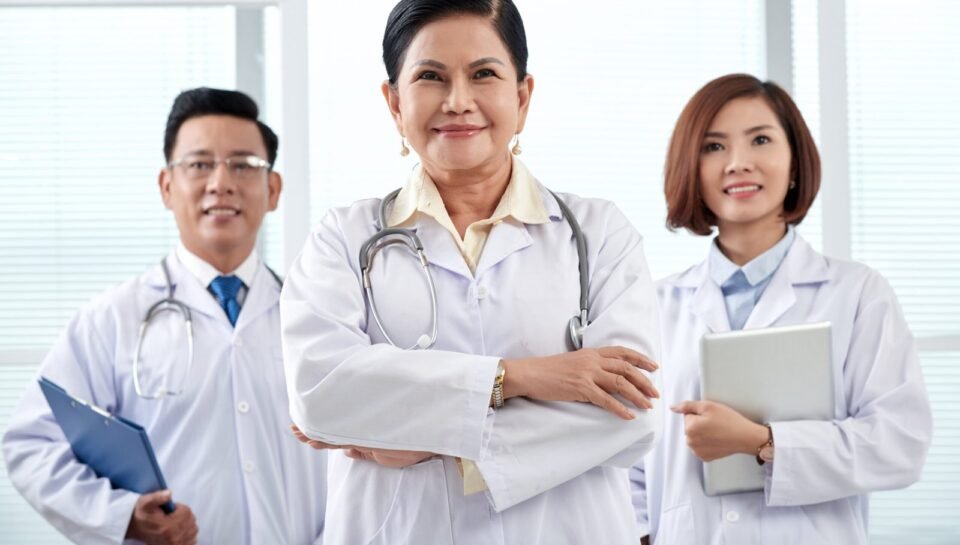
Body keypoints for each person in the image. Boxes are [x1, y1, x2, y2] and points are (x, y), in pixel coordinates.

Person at [280, 1, 661, 544]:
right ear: (394, 102)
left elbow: (631, 410)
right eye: (431, 77)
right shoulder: (342, 239)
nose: (458, 101)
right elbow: (321, 394)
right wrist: (525, 377)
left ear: (522, 96)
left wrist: (428, 437)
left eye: (483, 74)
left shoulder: (599, 234)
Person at [2, 88, 326, 545]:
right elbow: (31, 444)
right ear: (166, 187)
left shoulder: (316, 316)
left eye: (243, 165)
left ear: (272, 190)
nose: (221, 182)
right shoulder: (111, 319)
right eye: (199, 164)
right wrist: (122, 515)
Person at [629, 73, 932, 545]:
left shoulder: (857, 295)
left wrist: (762, 442)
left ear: (794, 163)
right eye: (713, 147)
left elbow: (898, 446)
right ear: (692, 168)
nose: (737, 163)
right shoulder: (651, 304)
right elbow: (629, 466)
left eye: (761, 140)